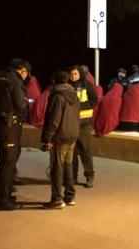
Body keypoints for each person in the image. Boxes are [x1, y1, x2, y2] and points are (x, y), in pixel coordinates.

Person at [0, 58, 31, 210]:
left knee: (4, 161)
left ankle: (3, 194)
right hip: (10, 125)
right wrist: (27, 102)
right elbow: (20, 104)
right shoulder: (15, 81)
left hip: (0, 123)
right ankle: (3, 199)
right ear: (23, 70)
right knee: (9, 162)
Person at [41, 70, 80, 209]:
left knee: (57, 168)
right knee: (68, 166)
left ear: (54, 81)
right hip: (72, 134)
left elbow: (54, 120)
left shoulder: (57, 96)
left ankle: (57, 199)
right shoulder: (73, 94)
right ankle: (70, 196)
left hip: (61, 136)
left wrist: (47, 138)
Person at [69, 65, 98, 188]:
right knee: (72, 152)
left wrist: (80, 106)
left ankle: (89, 176)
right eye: (71, 74)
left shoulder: (87, 85)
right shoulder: (68, 86)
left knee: (85, 150)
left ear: (80, 74)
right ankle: (72, 177)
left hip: (84, 123)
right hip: (71, 123)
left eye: (75, 74)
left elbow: (94, 101)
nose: (73, 76)